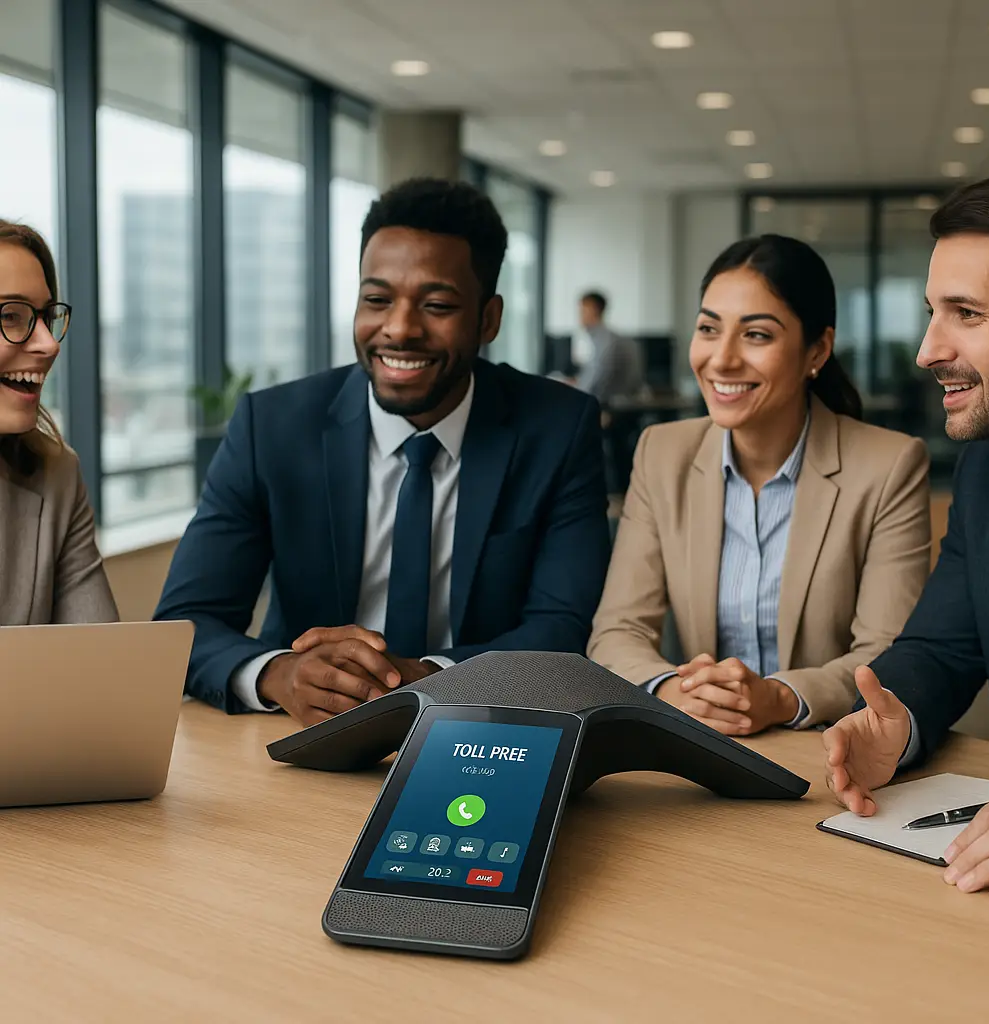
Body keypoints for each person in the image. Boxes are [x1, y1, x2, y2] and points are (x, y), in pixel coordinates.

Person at [154, 178, 610, 724]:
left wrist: (424, 676)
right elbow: (185, 623)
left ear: (488, 319)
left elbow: (560, 628)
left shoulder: (558, 428)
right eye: (377, 299)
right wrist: (279, 674)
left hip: (480, 737)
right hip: (299, 737)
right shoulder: (271, 426)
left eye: (436, 305)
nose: (398, 328)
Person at [588, 234, 931, 735]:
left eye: (757, 335)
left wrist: (778, 697)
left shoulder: (889, 465)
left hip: (830, 747)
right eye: (709, 328)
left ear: (817, 349)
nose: (722, 359)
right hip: (701, 745)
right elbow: (618, 629)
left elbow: (889, 649)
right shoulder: (661, 453)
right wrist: (673, 691)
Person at [823, 174, 989, 899]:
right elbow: (944, 646)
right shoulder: (985, 475)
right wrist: (893, 725)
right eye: (932, 312)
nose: (926, 349)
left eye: (965, 313)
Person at [0, 220, 117, 625]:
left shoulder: (57, 476)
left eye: (46, 316)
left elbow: (100, 665)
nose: (49, 344)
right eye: (11, 316)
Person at [573, 292, 643, 404]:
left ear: (593, 310)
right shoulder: (602, 337)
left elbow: (599, 376)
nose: (579, 315)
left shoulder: (605, 340)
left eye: (582, 310)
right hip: (609, 402)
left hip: (608, 406)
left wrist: (575, 392)